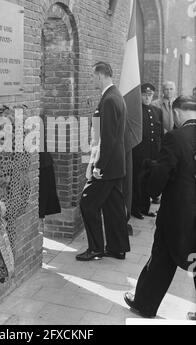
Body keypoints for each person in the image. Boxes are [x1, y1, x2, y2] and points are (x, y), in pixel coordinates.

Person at [124, 96, 196, 320]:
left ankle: (145, 304)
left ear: (176, 113)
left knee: (162, 258)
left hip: (178, 212)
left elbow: (161, 175)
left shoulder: (175, 137)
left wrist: (150, 184)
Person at [76, 62, 130, 262]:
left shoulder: (109, 99)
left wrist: (98, 166)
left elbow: (108, 139)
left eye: (93, 77)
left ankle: (96, 248)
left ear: (100, 76)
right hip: (115, 166)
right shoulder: (115, 95)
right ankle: (117, 248)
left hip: (107, 167)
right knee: (114, 207)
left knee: (87, 203)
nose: (92, 80)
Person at [131, 84, 164, 220]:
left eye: (150, 95)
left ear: (153, 95)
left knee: (148, 182)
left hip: (153, 154)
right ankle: (135, 208)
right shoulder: (135, 111)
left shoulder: (157, 111)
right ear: (140, 95)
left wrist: (160, 152)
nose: (147, 97)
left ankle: (145, 208)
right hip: (139, 154)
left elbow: (160, 134)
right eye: (144, 94)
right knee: (137, 182)